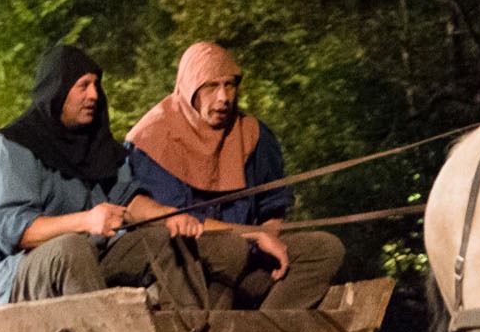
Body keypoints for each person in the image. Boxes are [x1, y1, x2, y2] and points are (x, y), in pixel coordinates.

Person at [0, 43, 199, 307]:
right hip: (12, 273)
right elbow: (19, 233)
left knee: (162, 242)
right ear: (58, 90)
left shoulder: (96, 147)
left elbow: (127, 202)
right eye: (83, 86)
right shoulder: (13, 148)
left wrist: (169, 217)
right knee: (71, 249)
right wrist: (87, 221)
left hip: (89, 258)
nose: (94, 95)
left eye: (96, 85)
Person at [122, 41, 344, 311]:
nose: (223, 98)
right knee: (228, 252)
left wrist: (268, 236)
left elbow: (272, 204)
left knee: (325, 248)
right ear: (190, 88)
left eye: (230, 85)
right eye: (211, 86)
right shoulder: (152, 138)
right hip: (191, 266)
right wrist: (248, 234)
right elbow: (172, 221)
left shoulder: (253, 135)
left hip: (251, 257)